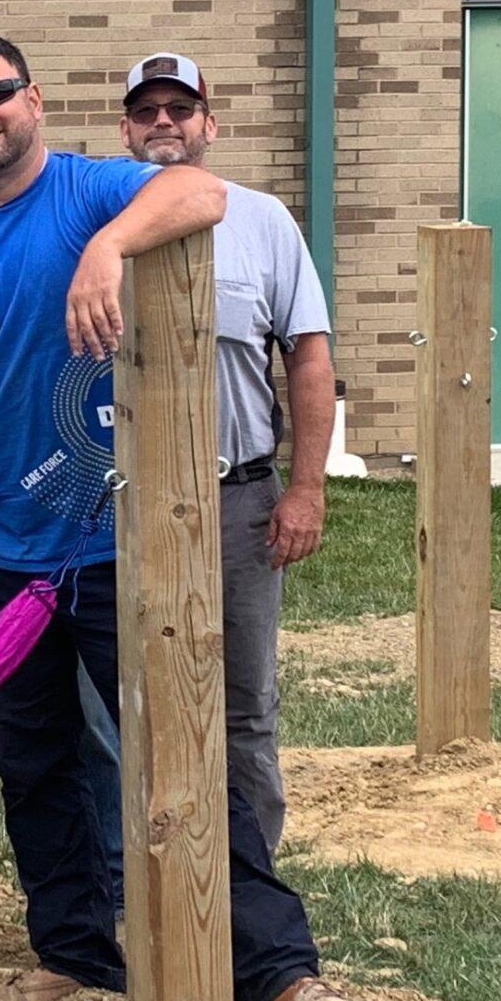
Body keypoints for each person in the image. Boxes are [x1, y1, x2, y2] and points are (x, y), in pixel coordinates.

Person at [0, 37, 394, 1001]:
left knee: (184, 750)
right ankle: (74, 957)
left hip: (120, 547)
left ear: (35, 101)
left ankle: (271, 982)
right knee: (35, 762)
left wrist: (105, 249)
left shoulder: (89, 190)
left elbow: (199, 202)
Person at [117, 53, 333, 851]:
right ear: (125, 128)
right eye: (147, 111)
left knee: (243, 702)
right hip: (121, 502)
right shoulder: (88, 221)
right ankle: (134, 878)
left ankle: (250, 888)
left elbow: (308, 356)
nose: (164, 123)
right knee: (121, 699)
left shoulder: (263, 220)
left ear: (211, 123)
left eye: (181, 108)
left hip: (236, 498)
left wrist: (304, 487)